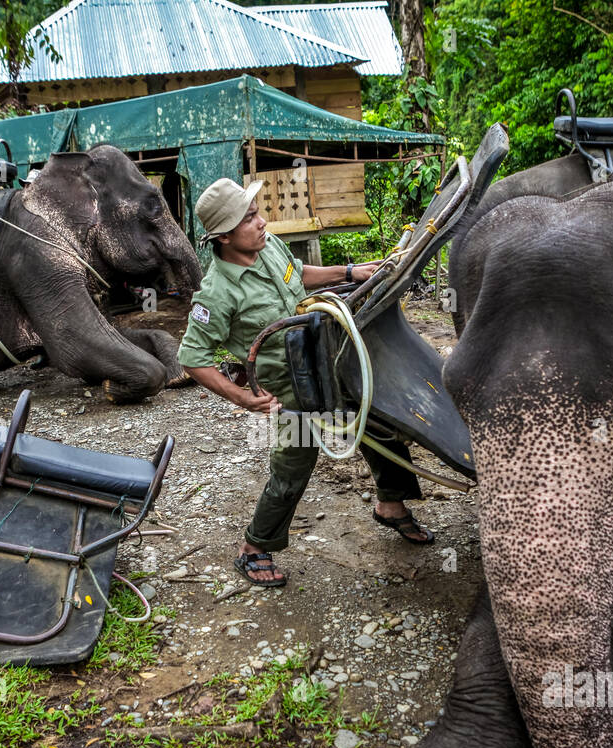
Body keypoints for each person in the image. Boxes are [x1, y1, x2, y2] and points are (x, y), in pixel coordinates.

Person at [177, 178, 435, 588]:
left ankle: (390, 503)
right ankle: (254, 548)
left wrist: (349, 271)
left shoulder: (267, 246)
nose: (261, 222)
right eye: (249, 218)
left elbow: (298, 273)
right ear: (224, 237)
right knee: (294, 463)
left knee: (376, 421)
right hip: (290, 392)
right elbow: (192, 359)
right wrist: (245, 399)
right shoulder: (217, 294)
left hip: (327, 362)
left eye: (257, 212)